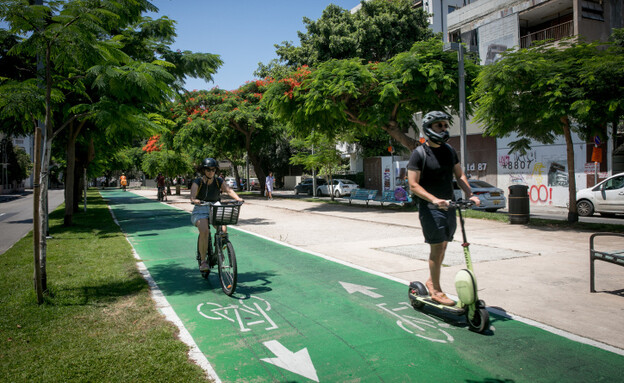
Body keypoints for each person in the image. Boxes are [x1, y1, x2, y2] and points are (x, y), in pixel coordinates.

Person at [407, 111, 480, 306]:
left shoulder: (449, 151)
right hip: (430, 207)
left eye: (445, 125)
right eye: (439, 126)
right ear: (429, 128)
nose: (444, 129)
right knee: (437, 246)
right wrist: (434, 199)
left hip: (449, 205)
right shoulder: (419, 154)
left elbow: (460, 175)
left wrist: (470, 194)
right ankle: (436, 291)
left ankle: (431, 281)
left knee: (444, 244)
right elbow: (413, 185)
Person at [190, 158, 243, 272]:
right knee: (204, 231)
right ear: (203, 170)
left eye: (213, 169)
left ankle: (218, 251)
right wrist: (195, 199)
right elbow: (193, 195)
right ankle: (203, 261)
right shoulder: (197, 182)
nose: (210, 172)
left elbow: (228, 190)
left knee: (223, 231)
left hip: (215, 207)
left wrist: (238, 198)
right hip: (201, 208)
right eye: (208, 169)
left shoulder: (218, 181)